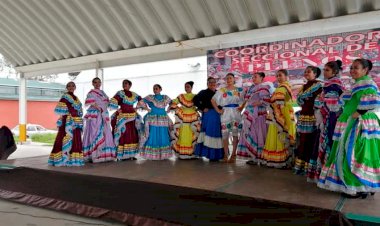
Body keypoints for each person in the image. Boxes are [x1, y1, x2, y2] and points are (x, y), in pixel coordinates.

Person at [318, 59, 380, 198]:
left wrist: (356, 114)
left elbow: (372, 101)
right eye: (351, 67)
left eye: (356, 68)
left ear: (365, 70)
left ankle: (356, 186)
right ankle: (361, 186)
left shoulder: (367, 84)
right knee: (357, 153)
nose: (352, 70)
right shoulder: (358, 84)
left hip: (357, 123)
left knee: (353, 153)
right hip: (351, 121)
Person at [307, 60, 344, 183]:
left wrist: (321, 109)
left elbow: (332, 104)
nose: (324, 72)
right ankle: (326, 173)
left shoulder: (332, 85)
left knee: (327, 142)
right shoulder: (332, 84)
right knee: (326, 142)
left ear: (335, 72)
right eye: (324, 69)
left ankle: (327, 174)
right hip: (329, 116)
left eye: (327, 70)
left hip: (329, 118)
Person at [262, 69, 296, 168]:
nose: (278, 78)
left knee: (282, 134)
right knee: (277, 134)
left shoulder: (284, 87)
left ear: (286, 76)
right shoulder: (281, 87)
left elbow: (279, 102)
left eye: (280, 75)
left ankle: (283, 160)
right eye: (277, 76)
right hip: (279, 113)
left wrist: (278, 115)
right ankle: (278, 159)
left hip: (282, 113)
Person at [237, 72, 272, 165]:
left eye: (255, 77)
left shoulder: (264, 87)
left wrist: (259, 102)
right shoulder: (250, 88)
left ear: (262, 78)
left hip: (259, 115)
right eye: (253, 77)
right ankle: (253, 156)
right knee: (250, 133)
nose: (253, 78)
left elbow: (267, 100)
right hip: (250, 113)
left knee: (259, 133)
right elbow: (245, 99)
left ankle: (260, 157)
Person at [294, 66, 323, 175]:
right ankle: (301, 166)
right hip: (303, 115)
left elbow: (318, 101)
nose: (306, 73)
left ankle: (308, 168)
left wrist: (307, 100)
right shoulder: (304, 86)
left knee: (310, 140)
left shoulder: (318, 85)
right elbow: (299, 101)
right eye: (305, 71)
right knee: (302, 140)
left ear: (315, 74)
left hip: (312, 116)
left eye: (309, 71)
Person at [48, 82, 84, 166]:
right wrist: (63, 119)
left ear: (75, 87)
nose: (71, 87)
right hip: (67, 121)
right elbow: (60, 110)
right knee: (63, 138)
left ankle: (73, 159)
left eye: (73, 86)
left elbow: (79, 111)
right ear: (67, 87)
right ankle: (63, 159)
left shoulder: (76, 98)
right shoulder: (65, 96)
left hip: (76, 121)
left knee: (76, 139)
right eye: (69, 86)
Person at [211, 73, 243, 163]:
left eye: (230, 78)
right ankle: (225, 154)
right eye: (227, 78)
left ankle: (234, 154)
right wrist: (218, 110)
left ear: (234, 79)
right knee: (225, 134)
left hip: (236, 113)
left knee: (235, 134)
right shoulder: (222, 90)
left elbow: (245, 100)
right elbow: (213, 100)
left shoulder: (239, 90)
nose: (229, 80)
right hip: (225, 113)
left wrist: (241, 108)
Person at [82, 78, 116, 163]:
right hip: (96, 114)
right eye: (95, 82)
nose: (97, 84)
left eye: (99, 82)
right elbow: (91, 102)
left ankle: (104, 155)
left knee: (106, 133)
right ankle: (95, 154)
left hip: (103, 113)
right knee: (95, 132)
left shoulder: (103, 92)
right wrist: (99, 108)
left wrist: (114, 105)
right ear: (93, 83)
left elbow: (107, 103)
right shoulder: (91, 93)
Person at [109, 79, 142, 161]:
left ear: (130, 85)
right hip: (123, 115)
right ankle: (122, 155)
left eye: (126, 84)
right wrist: (117, 109)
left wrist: (137, 108)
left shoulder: (134, 94)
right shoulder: (120, 93)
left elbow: (141, 100)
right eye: (123, 84)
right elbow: (113, 100)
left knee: (133, 134)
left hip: (132, 115)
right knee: (124, 133)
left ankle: (131, 154)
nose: (124, 85)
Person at [139, 84, 173, 160]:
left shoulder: (165, 97)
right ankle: (152, 154)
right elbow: (141, 101)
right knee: (152, 134)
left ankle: (163, 154)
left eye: (156, 88)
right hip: (152, 118)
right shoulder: (151, 97)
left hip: (162, 118)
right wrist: (147, 109)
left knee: (163, 134)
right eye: (154, 88)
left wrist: (168, 109)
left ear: (161, 89)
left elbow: (172, 102)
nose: (155, 90)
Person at [193, 77, 224, 161]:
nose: (212, 84)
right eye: (210, 82)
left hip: (218, 115)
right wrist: (202, 108)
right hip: (209, 115)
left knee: (217, 133)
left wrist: (222, 110)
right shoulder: (203, 92)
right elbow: (195, 100)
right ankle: (210, 155)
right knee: (209, 133)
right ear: (207, 84)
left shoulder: (219, 92)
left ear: (216, 84)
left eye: (214, 82)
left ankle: (217, 155)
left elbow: (223, 102)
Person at [170, 81, 201, 159]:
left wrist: (198, 108)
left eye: (188, 87)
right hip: (183, 118)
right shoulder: (181, 96)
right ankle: (183, 153)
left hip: (193, 118)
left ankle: (193, 153)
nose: (186, 88)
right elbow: (174, 103)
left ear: (191, 87)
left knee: (192, 134)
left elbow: (200, 104)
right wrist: (179, 109)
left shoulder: (195, 96)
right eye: (185, 86)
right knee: (183, 134)